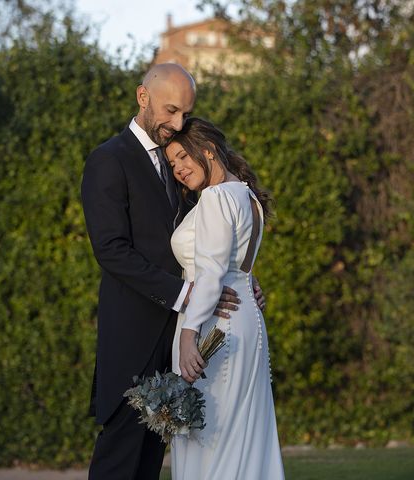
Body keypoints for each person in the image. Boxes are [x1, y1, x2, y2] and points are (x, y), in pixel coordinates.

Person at [81, 64, 265, 480]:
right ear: (142, 97)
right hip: (135, 336)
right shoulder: (108, 160)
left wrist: (242, 278)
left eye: (185, 113)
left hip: (182, 338)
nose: (178, 123)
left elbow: (209, 242)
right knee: (118, 460)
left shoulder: (179, 165)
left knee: (150, 464)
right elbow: (110, 250)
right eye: (171, 110)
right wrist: (186, 294)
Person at [166, 117, 285, 479]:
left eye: (183, 158)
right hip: (245, 321)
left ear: (208, 151)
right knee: (241, 436)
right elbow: (237, 263)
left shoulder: (217, 196)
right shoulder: (246, 195)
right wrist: (250, 287)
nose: (179, 169)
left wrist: (189, 336)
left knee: (210, 439)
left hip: (214, 327)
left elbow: (213, 272)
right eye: (172, 164)